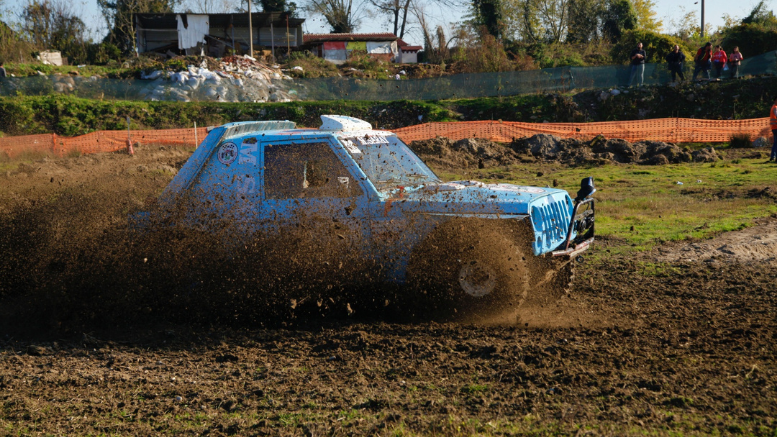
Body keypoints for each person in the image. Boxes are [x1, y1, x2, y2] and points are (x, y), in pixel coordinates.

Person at [771, 96, 777, 162]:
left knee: (775, 143)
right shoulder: (775, 108)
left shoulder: (773, 107)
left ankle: (773, 156)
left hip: (774, 127)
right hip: (776, 127)